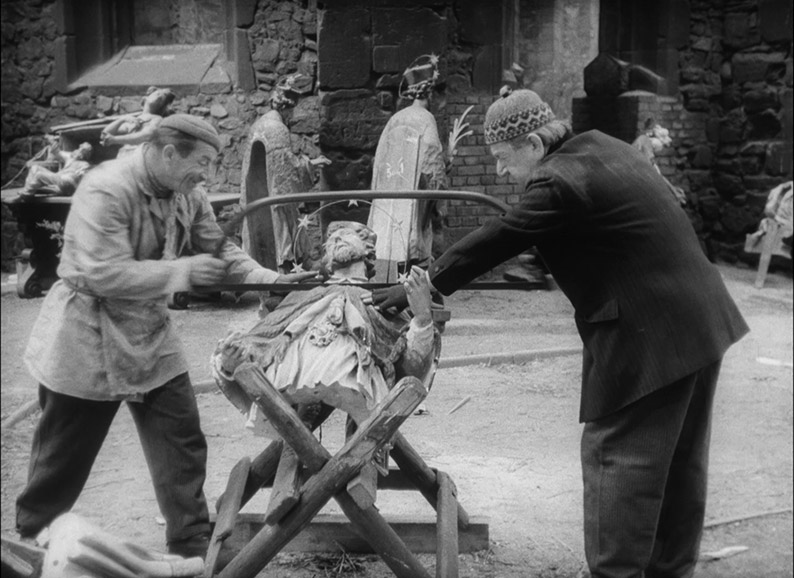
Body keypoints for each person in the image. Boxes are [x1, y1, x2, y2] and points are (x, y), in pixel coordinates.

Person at [372, 86, 749, 578]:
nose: (502, 172)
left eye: (505, 158)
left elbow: (497, 239)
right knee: (679, 462)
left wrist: (410, 290)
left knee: (617, 457)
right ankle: (671, 569)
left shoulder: (557, 180)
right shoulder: (601, 146)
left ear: (533, 143)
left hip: (650, 336)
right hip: (700, 321)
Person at [15, 114, 317, 559]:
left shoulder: (188, 193)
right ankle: (29, 541)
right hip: (85, 333)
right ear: (169, 152)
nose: (207, 176)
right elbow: (101, 273)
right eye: (202, 162)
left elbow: (219, 250)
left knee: (181, 438)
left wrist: (271, 278)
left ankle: (190, 540)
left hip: (150, 333)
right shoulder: (106, 188)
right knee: (64, 450)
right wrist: (184, 271)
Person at [212, 220, 438, 436]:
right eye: (334, 239)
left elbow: (409, 363)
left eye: (347, 236)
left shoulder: (379, 301)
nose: (339, 239)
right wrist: (235, 361)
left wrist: (422, 318)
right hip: (293, 374)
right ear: (327, 257)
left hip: (355, 380)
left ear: (368, 255)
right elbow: (267, 335)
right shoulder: (302, 297)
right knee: (241, 357)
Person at [367, 54, 449, 278]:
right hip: (413, 198)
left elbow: (379, 161)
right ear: (429, 93)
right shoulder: (425, 119)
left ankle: (387, 284)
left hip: (389, 194)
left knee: (389, 244)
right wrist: (438, 198)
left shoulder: (395, 119)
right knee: (415, 246)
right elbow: (432, 168)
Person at [100, 86, 176, 155]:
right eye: (157, 93)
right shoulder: (134, 119)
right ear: (145, 99)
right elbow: (105, 134)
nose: (160, 96)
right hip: (124, 157)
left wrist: (115, 140)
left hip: (140, 157)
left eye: (162, 98)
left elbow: (146, 136)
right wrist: (122, 119)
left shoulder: (157, 119)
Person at [22, 141, 93, 197]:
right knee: (35, 167)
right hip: (58, 178)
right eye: (78, 148)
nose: (77, 150)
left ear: (83, 155)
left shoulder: (85, 164)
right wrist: (53, 143)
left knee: (39, 175)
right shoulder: (70, 157)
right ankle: (27, 190)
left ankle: (27, 193)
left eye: (81, 150)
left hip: (66, 183)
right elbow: (57, 152)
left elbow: (82, 178)